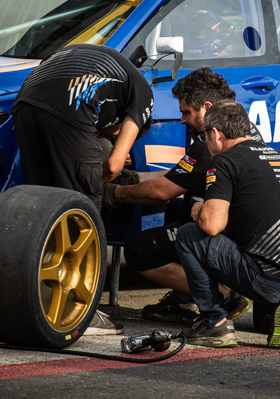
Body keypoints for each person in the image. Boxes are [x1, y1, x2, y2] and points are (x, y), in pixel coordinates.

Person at [12, 43, 154, 333]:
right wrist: (95, 184)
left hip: (25, 102)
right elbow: (115, 164)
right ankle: (82, 309)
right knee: (82, 214)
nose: (106, 136)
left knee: (43, 209)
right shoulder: (143, 94)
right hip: (70, 108)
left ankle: (39, 299)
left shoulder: (105, 64)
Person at [106, 68, 261, 325]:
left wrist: (116, 193)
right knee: (177, 210)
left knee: (138, 249)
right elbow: (184, 175)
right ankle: (182, 302)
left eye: (186, 112)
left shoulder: (209, 141)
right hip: (242, 230)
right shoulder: (240, 129)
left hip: (224, 233)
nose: (182, 120)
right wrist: (135, 177)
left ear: (206, 107)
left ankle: (222, 295)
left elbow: (162, 191)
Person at [175, 101, 280, 348]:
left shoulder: (223, 161)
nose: (205, 142)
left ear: (216, 133)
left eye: (205, 136)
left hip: (267, 283)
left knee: (189, 235)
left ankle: (216, 324)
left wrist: (199, 209)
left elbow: (211, 226)